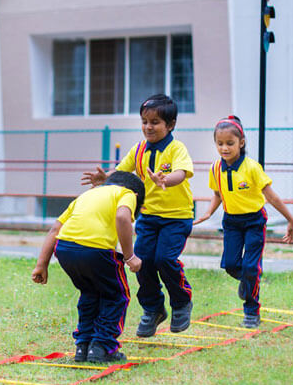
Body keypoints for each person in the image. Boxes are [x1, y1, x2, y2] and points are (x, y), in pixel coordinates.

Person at [82, 94, 195, 337]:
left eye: (155, 122)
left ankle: (182, 301)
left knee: (164, 259)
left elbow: (183, 172)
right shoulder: (139, 149)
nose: (148, 127)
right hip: (148, 217)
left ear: (171, 125)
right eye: (144, 121)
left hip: (176, 217)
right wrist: (106, 179)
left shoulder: (177, 148)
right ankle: (153, 308)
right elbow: (122, 171)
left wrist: (166, 178)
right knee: (141, 261)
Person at [32, 171, 145, 363]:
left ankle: (83, 346)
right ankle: (102, 346)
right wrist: (130, 256)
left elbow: (55, 229)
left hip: (65, 248)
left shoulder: (87, 195)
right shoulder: (127, 194)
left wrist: (41, 265)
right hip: (96, 250)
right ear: (136, 196)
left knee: (90, 293)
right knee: (116, 296)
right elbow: (123, 218)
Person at [193, 115, 293, 328]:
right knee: (230, 264)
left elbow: (272, 197)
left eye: (229, 143)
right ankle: (249, 279)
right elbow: (218, 194)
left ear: (241, 142)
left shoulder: (251, 167)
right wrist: (209, 212)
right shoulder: (215, 169)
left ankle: (251, 310)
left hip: (254, 221)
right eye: (220, 144)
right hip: (231, 222)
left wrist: (290, 219)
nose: (224, 148)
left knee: (250, 266)